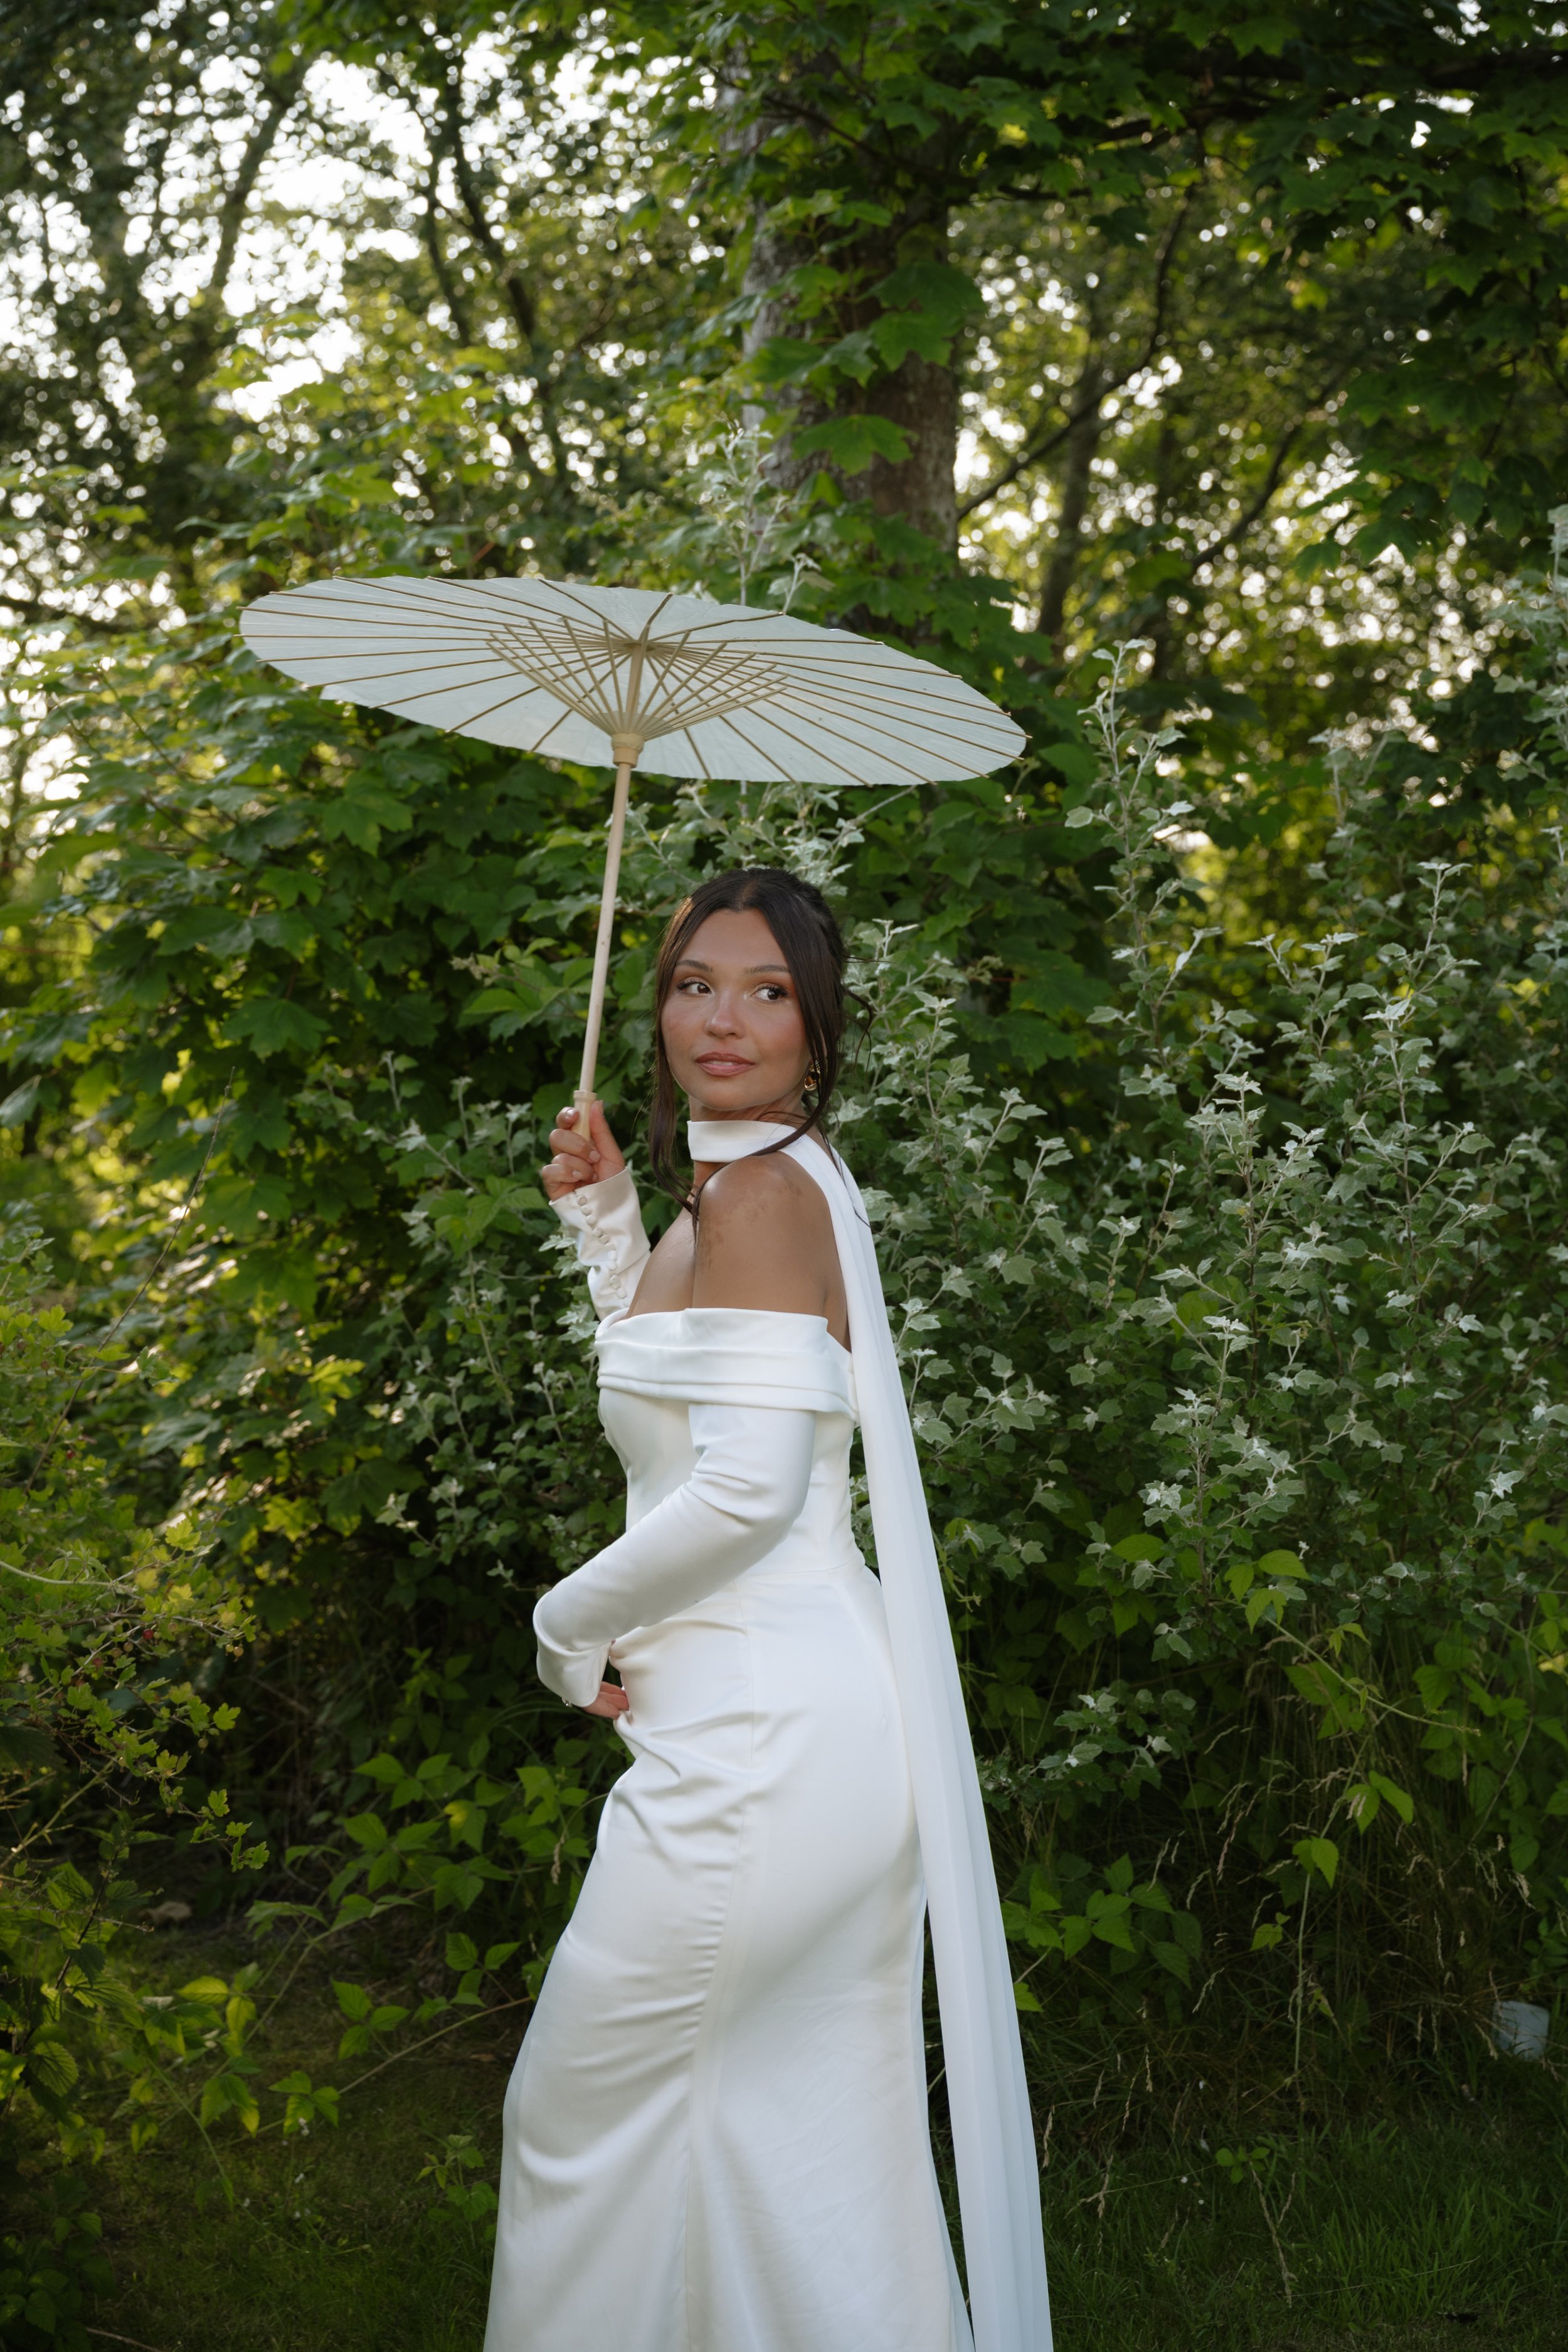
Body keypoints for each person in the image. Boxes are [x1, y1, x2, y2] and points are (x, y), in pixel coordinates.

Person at [483, 868, 1051, 2352]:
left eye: (764, 989)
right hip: (793, 1718)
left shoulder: (760, 1198)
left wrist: (561, 1629)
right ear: (653, 1006)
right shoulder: (749, 1183)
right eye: (688, 984)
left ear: (818, 1022)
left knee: (576, 2109)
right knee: (786, 2130)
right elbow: (675, 1397)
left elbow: (739, 1498)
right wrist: (606, 1219)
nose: (718, 1017)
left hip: (760, 1746)